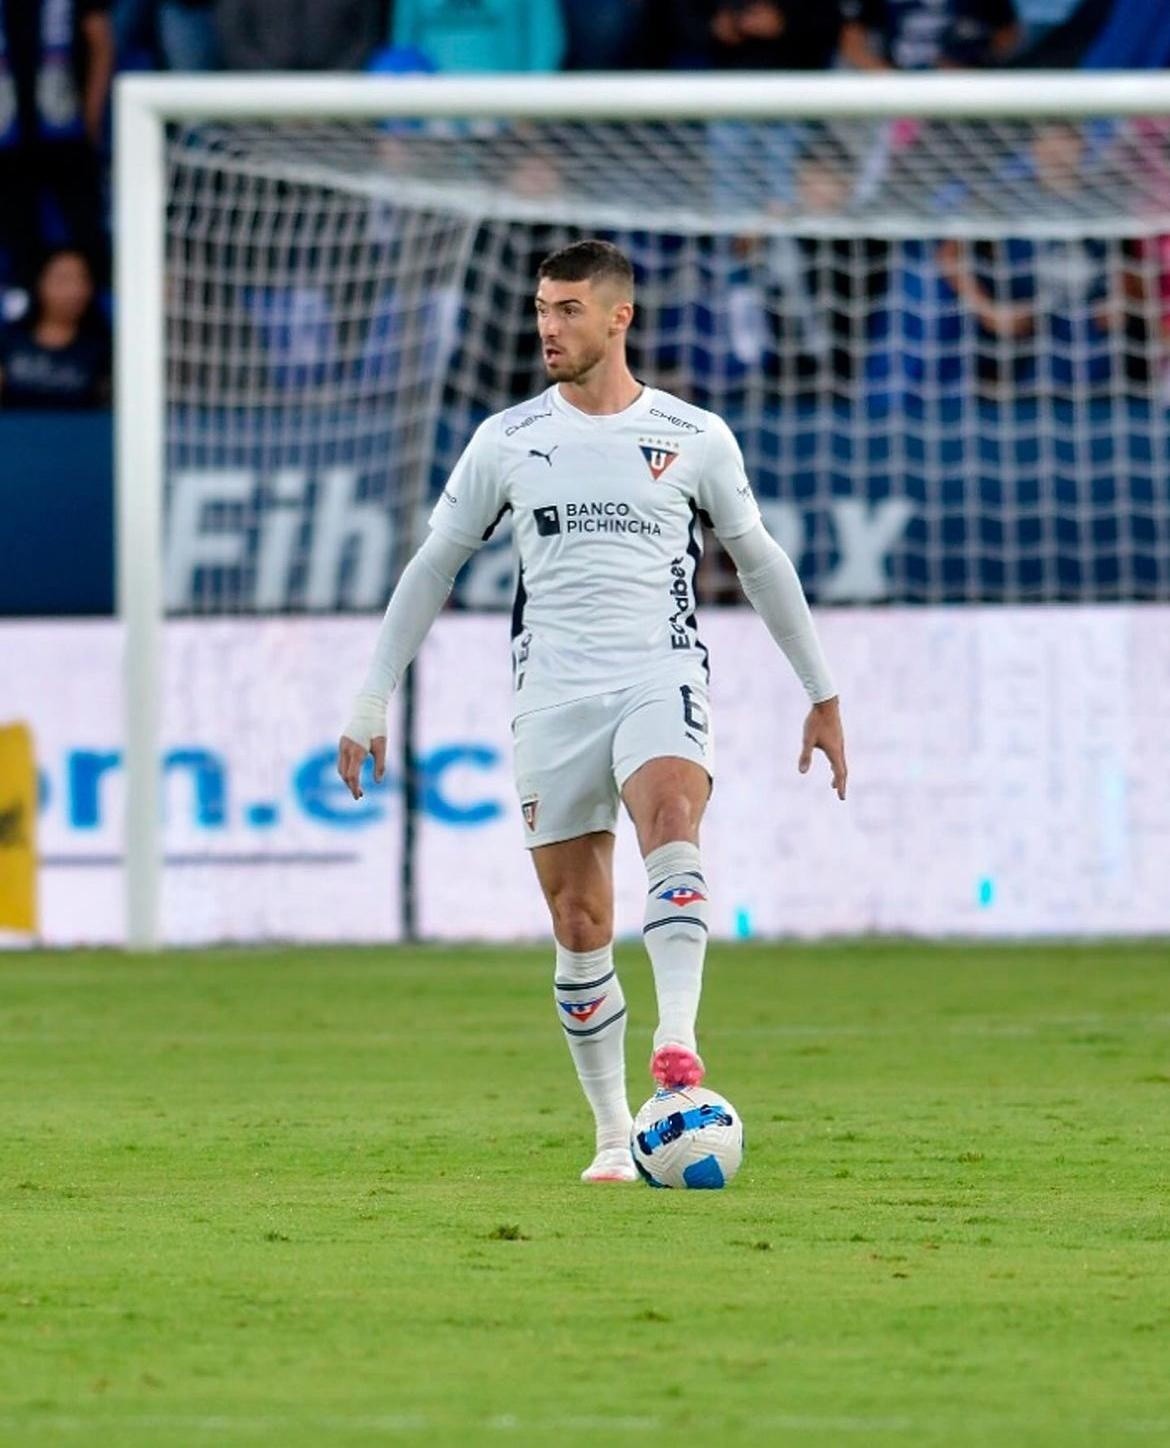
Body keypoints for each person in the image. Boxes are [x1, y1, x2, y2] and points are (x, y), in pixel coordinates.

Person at [337, 240, 847, 1184]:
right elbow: (433, 565)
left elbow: (762, 561)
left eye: (568, 309)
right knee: (579, 920)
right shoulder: (507, 439)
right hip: (552, 695)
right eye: (541, 308)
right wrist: (372, 698)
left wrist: (820, 691)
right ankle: (617, 1135)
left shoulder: (695, 434)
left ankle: (679, 1040)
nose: (546, 326)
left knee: (672, 816)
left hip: (661, 671)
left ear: (620, 318)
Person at [0, 0, 113, 291]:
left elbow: (100, 42)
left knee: (87, 231)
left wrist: (91, 116)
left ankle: (96, 310)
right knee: (18, 231)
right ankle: (25, 305)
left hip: (65, 129)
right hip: (9, 135)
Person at [0, 248, 110, 408]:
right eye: (63, 280)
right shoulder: (9, 343)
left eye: (82, 279)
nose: (74, 290)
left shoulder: (103, 350)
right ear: (39, 283)